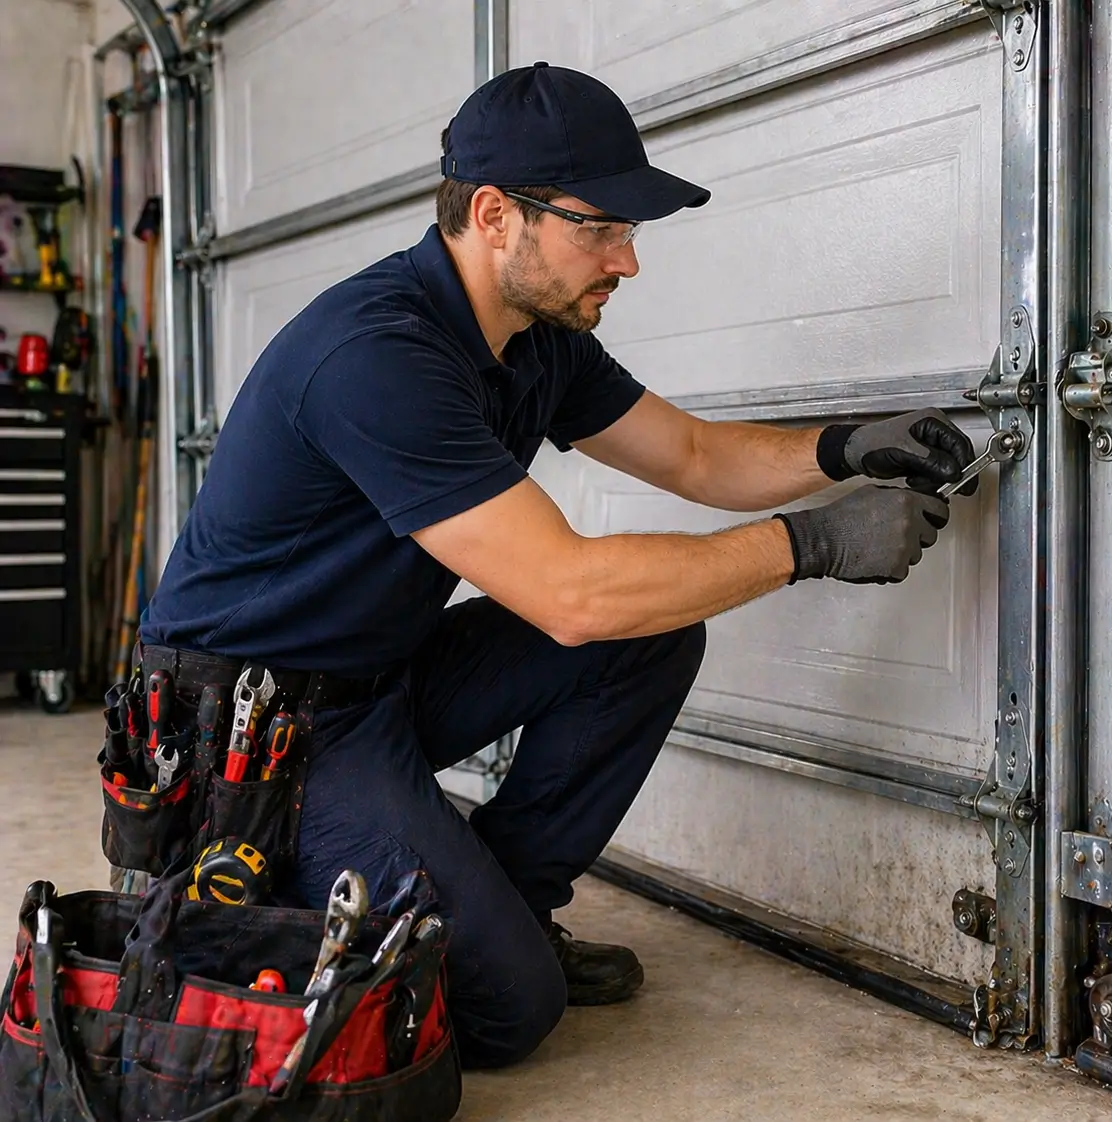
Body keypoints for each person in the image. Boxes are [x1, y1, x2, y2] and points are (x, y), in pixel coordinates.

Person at [139, 62, 979, 1068]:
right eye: (601, 228)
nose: (626, 261)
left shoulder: (537, 337)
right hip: (257, 735)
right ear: (495, 215)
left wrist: (842, 446)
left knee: (653, 630)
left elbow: (695, 458)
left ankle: (497, 906)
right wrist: (819, 544)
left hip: (376, 686)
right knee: (505, 1014)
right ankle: (277, 894)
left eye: (631, 232)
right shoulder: (377, 355)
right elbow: (571, 595)